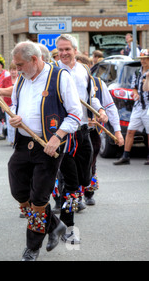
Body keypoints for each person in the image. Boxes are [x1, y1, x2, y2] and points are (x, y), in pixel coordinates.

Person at [8, 41, 83, 261]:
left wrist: (57, 137)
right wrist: (14, 116)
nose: (17, 69)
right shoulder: (21, 80)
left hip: (49, 147)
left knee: (39, 199)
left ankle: (32, 247)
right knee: (19, 192)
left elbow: (75, 114)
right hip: (23, 143)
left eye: (20, 65)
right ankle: (55, 225)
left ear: (34, 59)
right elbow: (13, 104)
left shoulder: (60, 77)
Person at [55, 34, 108, 245]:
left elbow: (90, 97)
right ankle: (67, 227)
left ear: (76, 50)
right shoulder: (54, 72)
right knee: (72, 183)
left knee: (85, 180)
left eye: (68, 49)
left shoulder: (83, 71)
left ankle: (69, 196)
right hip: (64, 133)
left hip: (84, 131)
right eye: (61, 50)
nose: (64, 53)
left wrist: (101, 110)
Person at [86, 75, 125, 205]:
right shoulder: (66, 80)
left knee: (91, 161)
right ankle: (70, 195)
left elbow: (110, 106)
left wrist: (117, 131)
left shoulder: (97, 82)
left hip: (93, 131)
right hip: (72, 130)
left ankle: (88, 192)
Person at [114, 49, 149, 165]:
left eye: (145, 59)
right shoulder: (138, 72)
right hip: (138, 106)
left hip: (148, 106)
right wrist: (135, 93)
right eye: (141, 59)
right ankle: (126, 156)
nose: (143, 61)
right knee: (130, 131)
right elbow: (133, 87)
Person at [1, 63, 18, 145]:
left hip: (18, 105)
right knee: (10, 123)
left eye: (14, 70)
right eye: (11, 70)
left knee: (18, 123)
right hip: (8, 104)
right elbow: (1, 92)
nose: (13, 72)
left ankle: (17, 139)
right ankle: (12, 140)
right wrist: (2, 104)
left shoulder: (21, 79)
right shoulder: (5, 80)